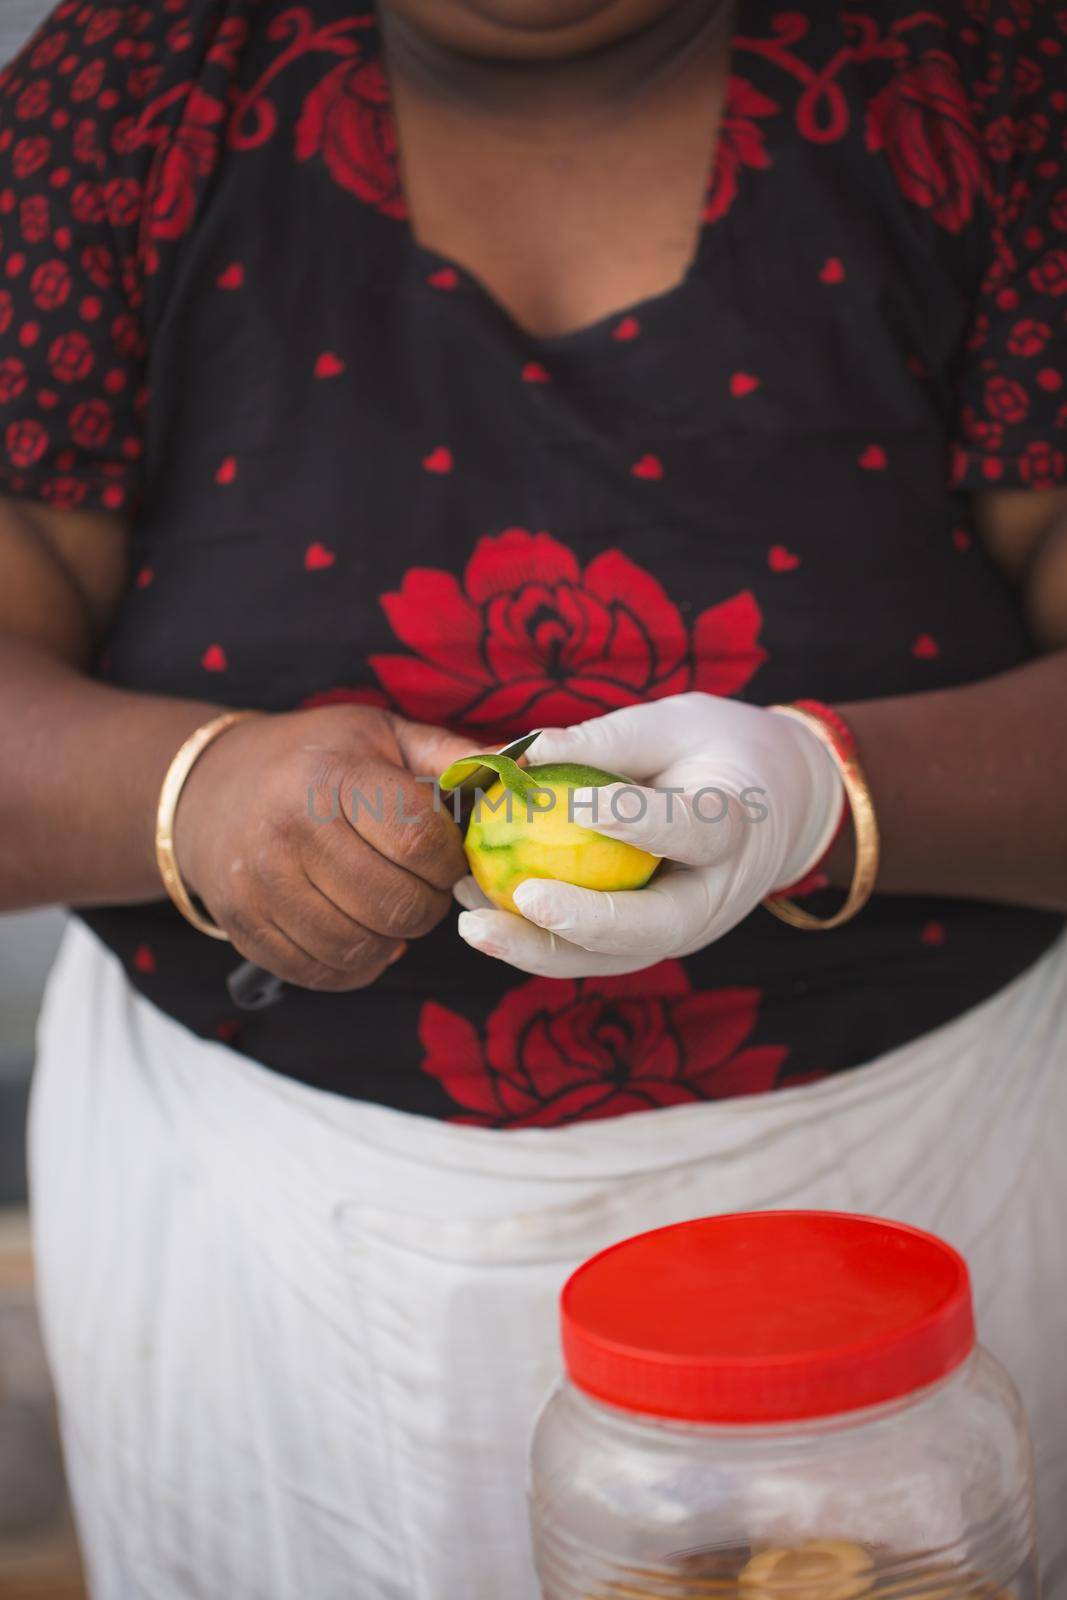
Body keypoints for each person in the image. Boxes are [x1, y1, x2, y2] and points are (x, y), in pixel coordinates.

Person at [0, 0, 1065, 1594]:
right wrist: (193, 790)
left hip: (910, 1210)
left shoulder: (980, 76)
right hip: (278, 1250)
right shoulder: (133, 87)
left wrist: (829, 789)